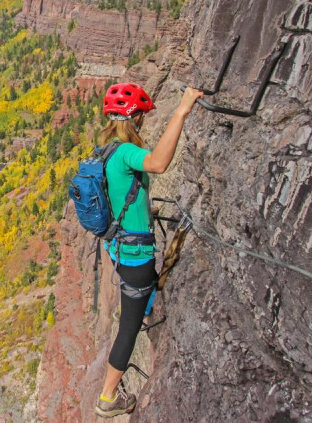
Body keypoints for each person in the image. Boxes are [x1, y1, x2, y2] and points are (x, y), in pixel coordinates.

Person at [94, 83, 204, 418]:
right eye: (141, 115)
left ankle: (137, 306)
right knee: (128, 328)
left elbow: (118, 195)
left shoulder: (105, 150)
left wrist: (144, 213)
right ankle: (108, 397)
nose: (143, 121)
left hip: (118, 246)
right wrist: (182, 109)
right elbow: (157, 163)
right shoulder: (126, 151)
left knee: (137, 300)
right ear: (134, 117)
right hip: (135, 255)